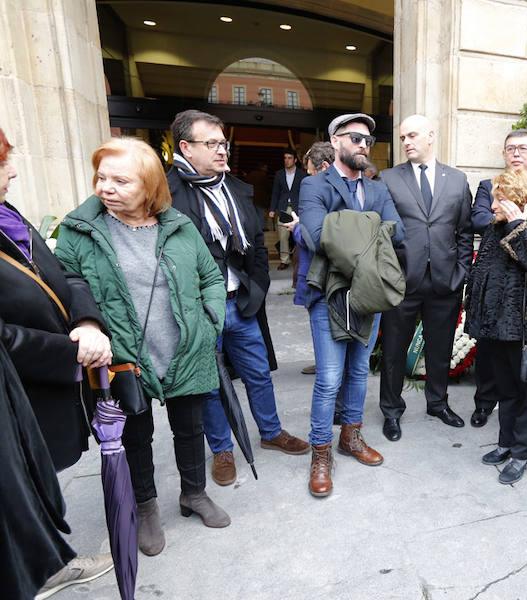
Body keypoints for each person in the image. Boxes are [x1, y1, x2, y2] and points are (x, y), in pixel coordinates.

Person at [56, 137, 231, 556]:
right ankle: (146, 506)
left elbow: (210, 278)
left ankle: (194, 493)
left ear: (150, 185)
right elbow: (67, 285)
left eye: (121, 180)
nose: (106, 187)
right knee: (135, 434)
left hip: (184, 348)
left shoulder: (178, 226)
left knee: (191, 428)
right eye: (101, 177)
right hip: (123, 355)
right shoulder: (80, 230)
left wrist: (209, 322)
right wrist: (86, 324)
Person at [0, 127, 114, 598]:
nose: (12, 170)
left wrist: (87, 321)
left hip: (47, 382)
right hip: (20, 388)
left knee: (27, 487)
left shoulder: (6, 214)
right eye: (2, 161)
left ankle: (45, 562)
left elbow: (63, 273)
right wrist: (70, 354)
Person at [167, 110, 309, 488]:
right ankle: (222, 449)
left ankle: (271, 431)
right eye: (210, 144)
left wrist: (258, 290)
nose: (221, 151)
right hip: (200, 309)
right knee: (212, 384)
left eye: (222, 143)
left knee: (258, 374)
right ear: (185, 147)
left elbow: (257, 251)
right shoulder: (167, 195)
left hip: (241, 302)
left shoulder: (237, 189)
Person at [298, 112, 405, 497]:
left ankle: (351, 437)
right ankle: (321, 452)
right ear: (336, 140)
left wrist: (345, 225)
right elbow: (314, 236)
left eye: (368, 141)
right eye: (356, 138)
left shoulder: (377, 189)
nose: (363, 146)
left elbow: (399, 232)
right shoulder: (315, 185)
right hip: (328, 294)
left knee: (359, 372)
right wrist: (370, 233)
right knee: (329, 378)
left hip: (367, 294)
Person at [465, 169, 527, 484]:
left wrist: (519, 226)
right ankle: (505, 443)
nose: (493, 206)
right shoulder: (496, 227)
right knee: (505, 390)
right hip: (496, 327)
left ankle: (522, 452)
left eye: (499, 199)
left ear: (521, 197)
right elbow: (484, 271)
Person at [379, 114, 474, 441]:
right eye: (403, 137)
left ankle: (438, 402)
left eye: (412, 135)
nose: (406, 142)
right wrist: (389, 274)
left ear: (431, 136)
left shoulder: (457, 180)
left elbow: (464, 231)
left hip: (445, 281)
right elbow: (380, 233)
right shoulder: (388, 179)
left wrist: (461, 270)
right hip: (402, 282)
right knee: (393, 350)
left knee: (440, 347)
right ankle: (391, 411)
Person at [469, 129, 527, 428]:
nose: (517, 154)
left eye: (523, 148)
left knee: (522, 385)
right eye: (511, 149)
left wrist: (518, 224)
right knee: (494, 365)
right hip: (496, 304)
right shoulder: (490, 188)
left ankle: (520, 447)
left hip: (525, 314)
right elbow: (479, 219)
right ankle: (488, 411)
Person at [290, 142, 334, 375]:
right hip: (322, 276)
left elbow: (314, 238)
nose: (307, 177)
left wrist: (297, 227)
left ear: (324, 166)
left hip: (320, 278)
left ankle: (325, 365)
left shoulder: (321, 195)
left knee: (322, 324)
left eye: (310, 172)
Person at [269, 147, 302, 271]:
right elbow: (275, 192)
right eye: (285, 158)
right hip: (283, 208)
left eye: (289, 158)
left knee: (298, 235)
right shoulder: (279, 174)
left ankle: (298, 259)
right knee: (283, 236)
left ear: (295, 160)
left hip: (297, 208)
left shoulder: (301, 175)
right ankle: (284, 260)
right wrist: (272, 209)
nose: (286, 161)